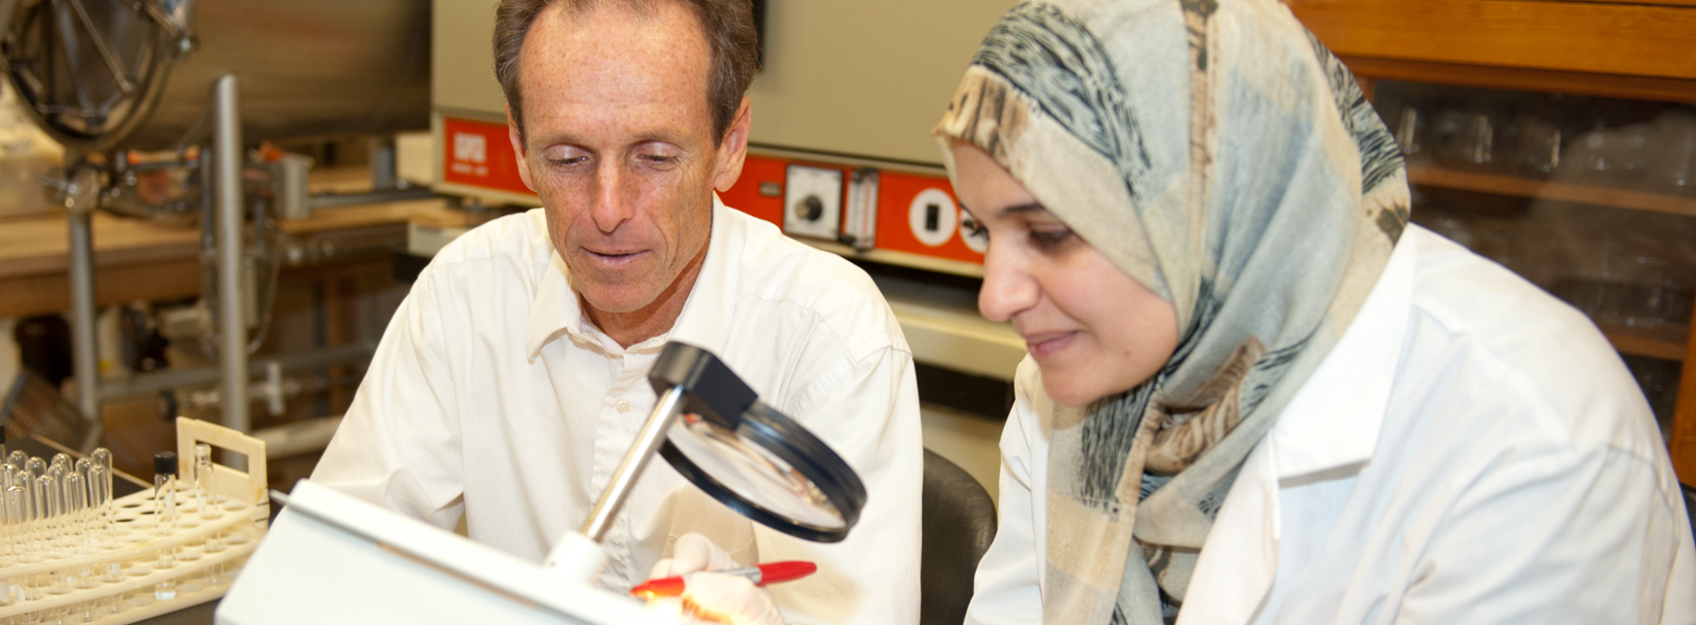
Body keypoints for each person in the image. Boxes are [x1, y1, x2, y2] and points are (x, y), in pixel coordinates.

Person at [663, 0, 1696, 623]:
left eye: (1051, 233)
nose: (997, 295)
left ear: (1213, 208)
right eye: (985, 232)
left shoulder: (1534, 446)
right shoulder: (1078, 390)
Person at [308, 1, 922, 624]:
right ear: (520, 148)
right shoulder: (466, 294)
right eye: (568, 157)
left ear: (729, 145)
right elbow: (334, 567)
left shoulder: (834, 342)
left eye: (654, 156)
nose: (608, 209)